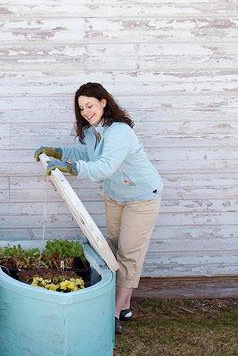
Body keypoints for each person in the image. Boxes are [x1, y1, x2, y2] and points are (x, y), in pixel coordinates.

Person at [34, 82, 162, 335]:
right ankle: (124, 305)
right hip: (115, 195)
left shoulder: (120, 132)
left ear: (104, 102)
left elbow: (104, 167)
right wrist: (57, 152)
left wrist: (70, 168)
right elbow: (84, 152)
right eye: (81, 108)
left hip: (142, 197)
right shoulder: (94, 131)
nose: (86, 111)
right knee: (112, 248)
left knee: (129, 254)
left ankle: (113, 313)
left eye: (90, 105)